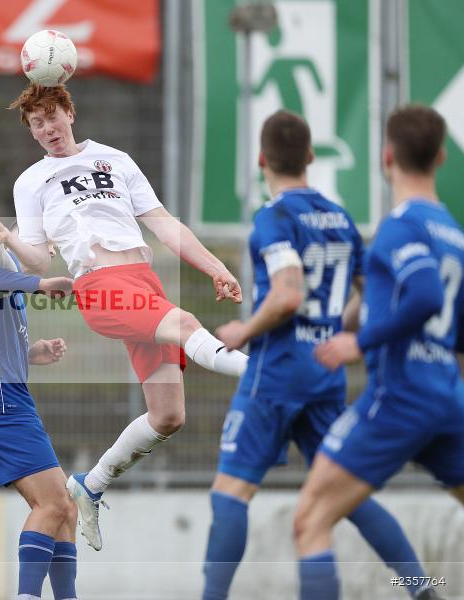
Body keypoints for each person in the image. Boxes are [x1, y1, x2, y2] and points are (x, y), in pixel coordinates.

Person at [0, 83, 248, 551]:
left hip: (143, 282)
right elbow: (39, 261)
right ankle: (267, 372)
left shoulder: (115, 160)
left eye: (52, 116)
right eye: (36, 124)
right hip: (99, 289)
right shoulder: (31, 182)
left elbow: (164, 224)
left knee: (168, 416)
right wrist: (8, 239)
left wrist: (216, 267)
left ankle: (91, 484)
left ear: (69, 111)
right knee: (186, 326)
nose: (47, 129)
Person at [201, 110, 435, 600]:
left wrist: (244, 329)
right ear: (309, 157)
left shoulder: (274, 217)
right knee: (346, 495)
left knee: (230, 494)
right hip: (324, 371)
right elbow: (369, 294)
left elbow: (287, 293)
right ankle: (421, 588)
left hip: (278, 372)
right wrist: (336, 331)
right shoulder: (339, 217)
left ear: (262, 159)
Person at [295, 104, 464, 599]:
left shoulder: (400, 226)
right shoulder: (454, 234)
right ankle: (423, 591)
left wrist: (358, 341)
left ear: (386, 156)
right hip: (446, 398)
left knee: (310, 520)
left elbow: (426, 295)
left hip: (401, 397)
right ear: (440, 158)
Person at [0, 222, 79, 600]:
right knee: (53, 503)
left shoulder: (12, 289)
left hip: (9, 400)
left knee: (66, 507)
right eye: (47, 245)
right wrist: (41, 284)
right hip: (1, 405)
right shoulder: (1, 275)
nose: (50, 253)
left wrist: (32, 354)